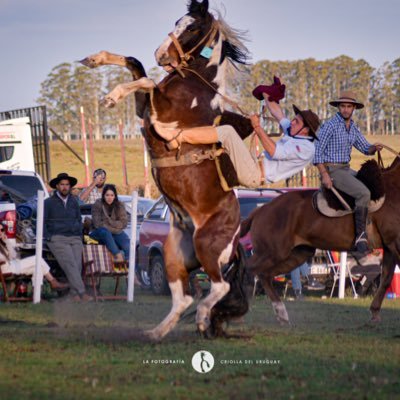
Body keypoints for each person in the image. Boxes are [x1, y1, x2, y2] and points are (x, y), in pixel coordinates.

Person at [153, 78, 320, 188]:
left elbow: (274, 151)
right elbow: (278, 113)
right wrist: (267, 94)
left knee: (228, 133)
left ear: (305, 130)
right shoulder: (294, 133)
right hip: (253, 165)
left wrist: (257, 127)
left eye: (296, 121)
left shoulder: (306, 148)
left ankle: (178, 136)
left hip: (255, 174)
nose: (291, 122)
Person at [313, 90, 384, 261]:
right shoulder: (330, 125)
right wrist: (324, 174)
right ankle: (360, 240)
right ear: (339, 107)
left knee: (373, 186)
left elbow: (364, 147)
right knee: (364, 193)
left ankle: (369, 230)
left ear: (353, 108)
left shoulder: (353, 127)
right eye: (343, 106)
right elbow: (316, 151)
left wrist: (374, 148)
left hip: (346, 168)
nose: (345, 109)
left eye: (349, 106)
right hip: (333, 170)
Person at [44, 172, 92, 302]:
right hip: (57, 238)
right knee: (70, 263)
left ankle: (73, 294)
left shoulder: (74, 201)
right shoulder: (48, 202)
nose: (65, 187)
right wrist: (49, 236)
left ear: (70, 186)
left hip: (75, 237)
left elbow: (78, 218)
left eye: (67, 184)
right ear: (57, 186)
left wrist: (78, 232)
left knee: (77, 265)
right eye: (62, 185)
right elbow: (42, 221)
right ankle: (82, 293)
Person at [0, 224, 68, 291]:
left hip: (12, 265)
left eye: (2, 230)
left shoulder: (2, 243)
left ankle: (37, 296)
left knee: (38, 268)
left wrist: (7, 242)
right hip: (5, 268)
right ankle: (53, 282)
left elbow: (13, 256)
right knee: (37, 259)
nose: (0, 232)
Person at [89, 184, 130, 262]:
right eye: (107, 195)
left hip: (115, 232)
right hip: (98, 233)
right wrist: (115, 226)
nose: (109, 198)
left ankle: (130, 265)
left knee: (126, 241)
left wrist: (109, 222)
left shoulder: (119, 205)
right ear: (103, 195)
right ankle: (118, 255)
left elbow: (124, 223)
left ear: (115, 196)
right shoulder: (98, 204)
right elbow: (97, 224)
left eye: (112, 195)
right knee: (105, 232)